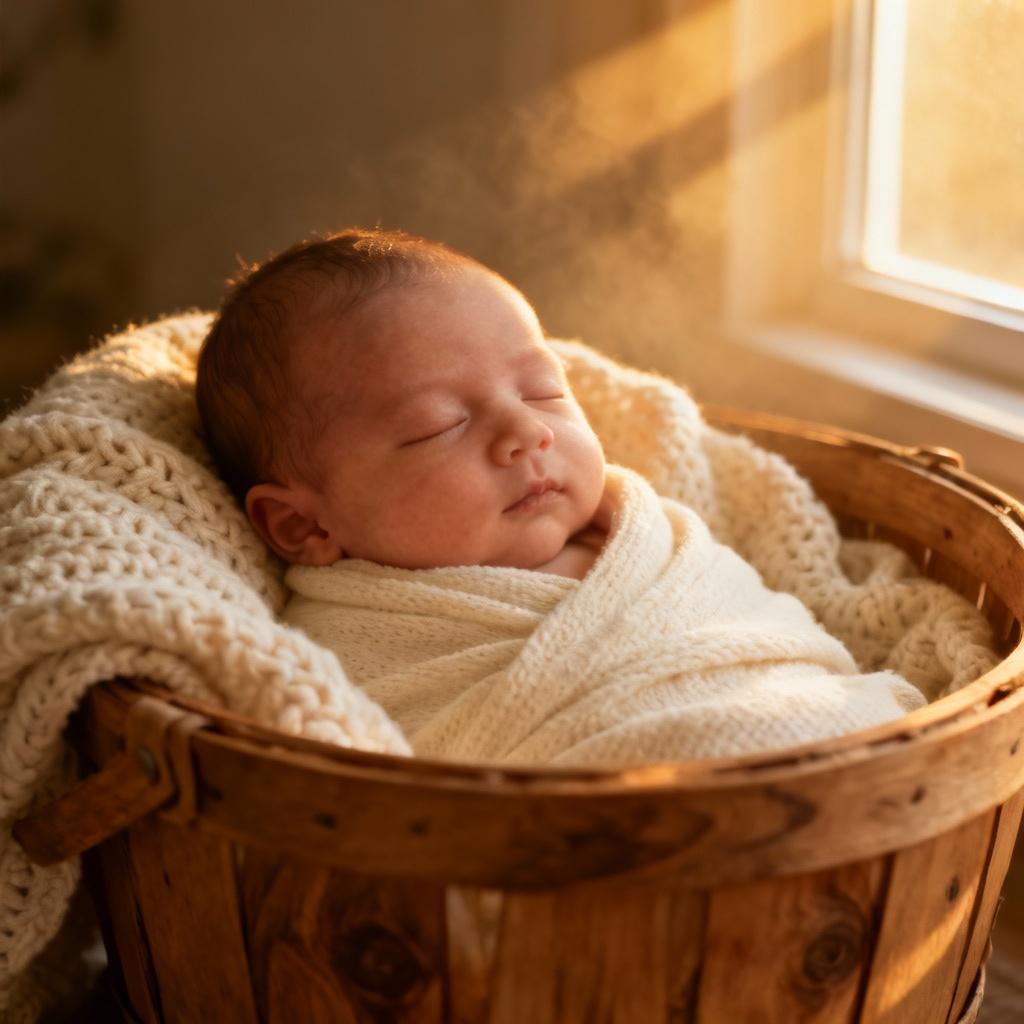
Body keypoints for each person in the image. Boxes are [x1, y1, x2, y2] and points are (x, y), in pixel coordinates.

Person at [196, 227, 931, 766]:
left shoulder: (654, 541)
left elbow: (769, 630)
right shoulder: (335, 649)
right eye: (437, 426)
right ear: (301, 524)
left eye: (543, 389)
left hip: (846, 751)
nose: (528, 432)